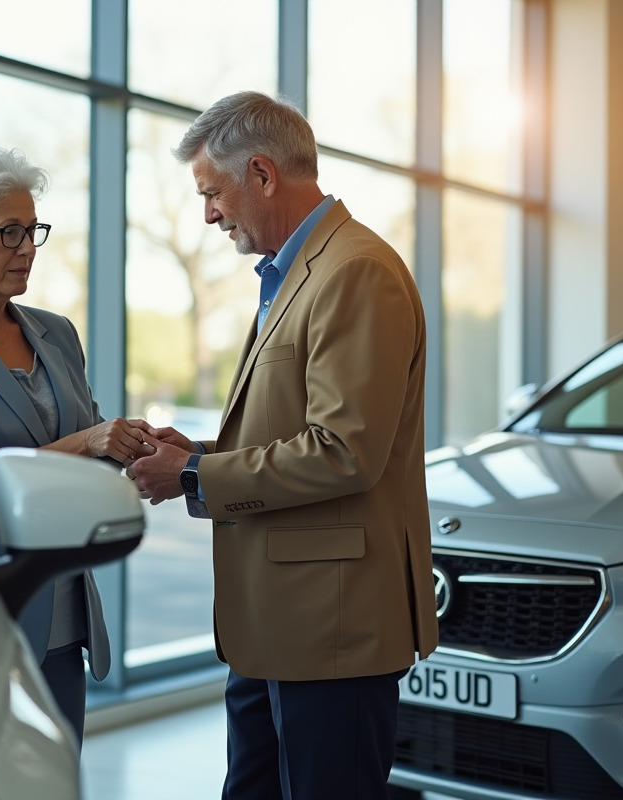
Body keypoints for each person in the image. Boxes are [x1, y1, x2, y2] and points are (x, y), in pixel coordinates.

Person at [128, 91, 439, 800]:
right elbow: (287, 431)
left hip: (330, 631)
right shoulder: (294, 274)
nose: (208, 214)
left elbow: (343, 450)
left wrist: (198, 474)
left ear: (263, 175)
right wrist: (193, 452)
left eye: (212, 192)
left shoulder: (354, 270)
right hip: (277, 626)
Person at [0, 142, 155, 748]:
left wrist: (134, 448)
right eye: (9, 233)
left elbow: (93, 464)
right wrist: (91, 441)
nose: (28, 249)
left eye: (32, 230)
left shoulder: (56, 334)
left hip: (66, 612)